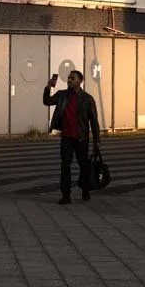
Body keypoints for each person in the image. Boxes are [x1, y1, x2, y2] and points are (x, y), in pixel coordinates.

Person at [43, 70, 101, 204]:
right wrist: (48, 87)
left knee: (84, 166)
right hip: (66, 138)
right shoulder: (61, 95)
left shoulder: (87, 99)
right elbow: (47, 101)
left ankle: (85, 190)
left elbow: (94, 121)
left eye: (72, 78)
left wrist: (97, 140)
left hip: (81, 138)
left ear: (80, 81)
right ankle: (66, 195)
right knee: (65, 166)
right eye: (69, 78)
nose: (69, 80)